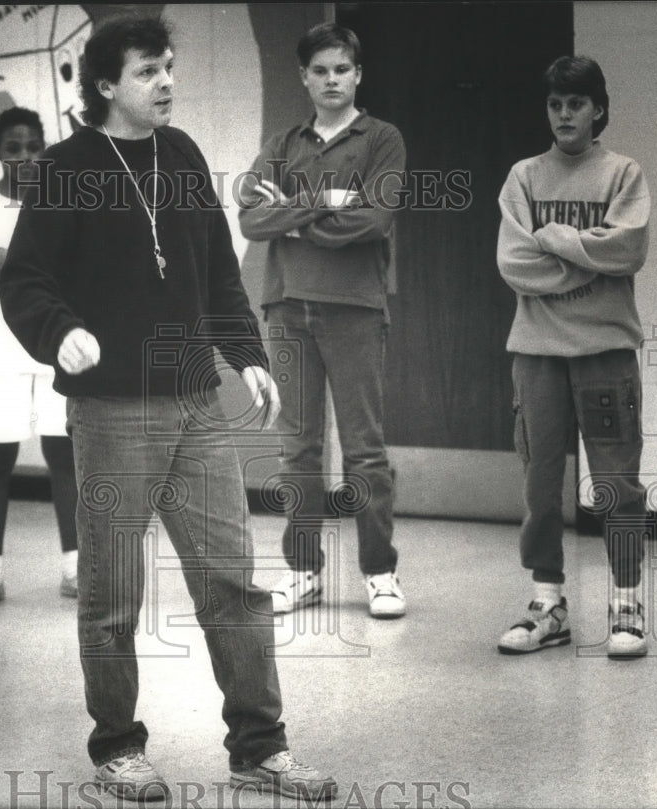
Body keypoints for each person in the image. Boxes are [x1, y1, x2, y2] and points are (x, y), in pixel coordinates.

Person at [0, 15, 337, 803]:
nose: (166, 82)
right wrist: (63, 333)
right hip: (112, 412)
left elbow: (217, 271)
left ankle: (261, 747)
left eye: (169, 68)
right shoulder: (64, 168)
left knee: (233, 582)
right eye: (149, 71)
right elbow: (25, 283)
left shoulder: (180, 156)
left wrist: (247, 357)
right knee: (113, 589)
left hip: (195, 404)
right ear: (106, 84)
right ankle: (117, 746)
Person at [237, 23, 406, 619]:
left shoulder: (382, 138)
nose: (332, 79)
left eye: (342, 69)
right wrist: (329, 200)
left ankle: (380, 574)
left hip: (355, 308)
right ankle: (303, 570)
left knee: (364, 451)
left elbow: (375, 219)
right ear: (303, 78)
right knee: (298, 451)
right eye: (320, 70)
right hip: (286, 306)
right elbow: (250, 219)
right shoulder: (284, 142)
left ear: (357, 74)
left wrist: (292, 209)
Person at [495, 56, 651, 658]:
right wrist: (590, 252)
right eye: (556, 104)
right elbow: (514, 263)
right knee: (539, 482)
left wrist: (556, 240)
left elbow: (629, 248)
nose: (565, 115)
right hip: (536, 353)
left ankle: (627, 602)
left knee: (617, 483)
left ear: (597, 110)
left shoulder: (622, 174)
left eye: (576, 104)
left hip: (605, 351)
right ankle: (548, 603)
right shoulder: (524, 178)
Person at [0, 106, 78, 609]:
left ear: (44, 149)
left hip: (52, 348)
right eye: (13, 148)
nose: (24, 157)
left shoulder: (60, 200)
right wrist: (28, 268)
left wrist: (6, 258)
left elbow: (70, 276)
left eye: (32, 148)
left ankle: (73, 571)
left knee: (62, 457)